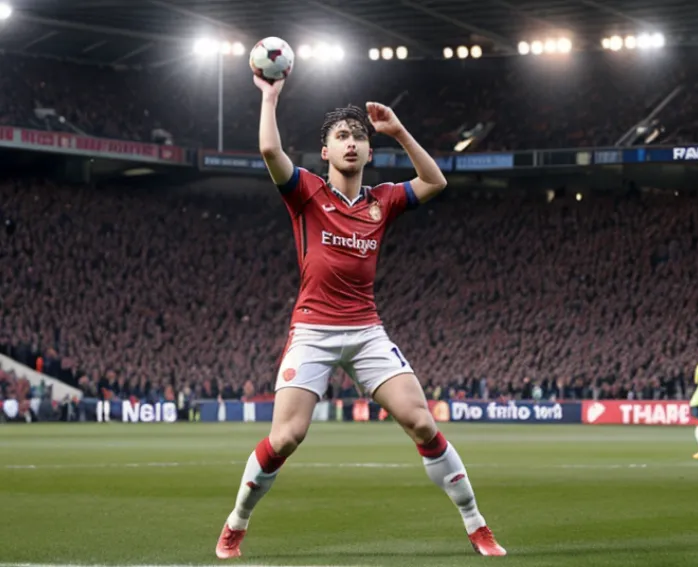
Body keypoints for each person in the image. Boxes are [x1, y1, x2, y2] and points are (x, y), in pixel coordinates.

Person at [215, 75, 506, 559]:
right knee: (286, 436)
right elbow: (269, 150)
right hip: (313, 330)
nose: (351, 143)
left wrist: (399, 131)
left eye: (358, 137)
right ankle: (236, 523)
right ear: (325, 151)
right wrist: (269, 96)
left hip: (367, 331)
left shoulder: (382, 200)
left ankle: (477, 526)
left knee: (422, 423)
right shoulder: (306, 192)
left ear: (369, 152)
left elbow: (435, 181)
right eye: (341, 136)